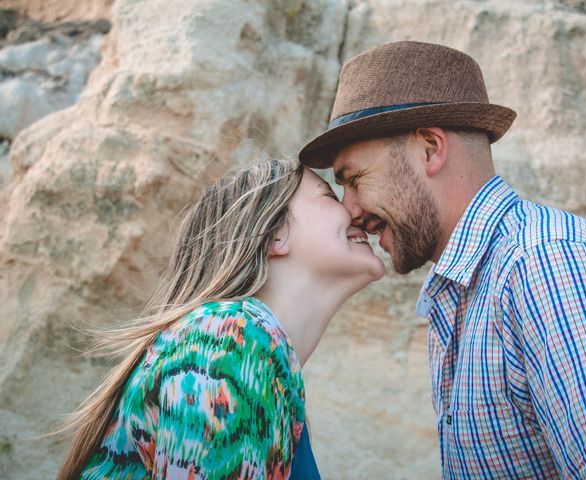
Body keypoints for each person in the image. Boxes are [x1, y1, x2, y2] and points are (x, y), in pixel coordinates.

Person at [299, 41, 586, 478]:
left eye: (355, 179)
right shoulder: (470, 288)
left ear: (430, 149)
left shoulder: (547, 266)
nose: (349, 209)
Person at [56, 159, 385, 479]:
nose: (353, 211)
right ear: (275, 234)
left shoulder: (250, 357)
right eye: (329, 195)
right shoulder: (228, 337)